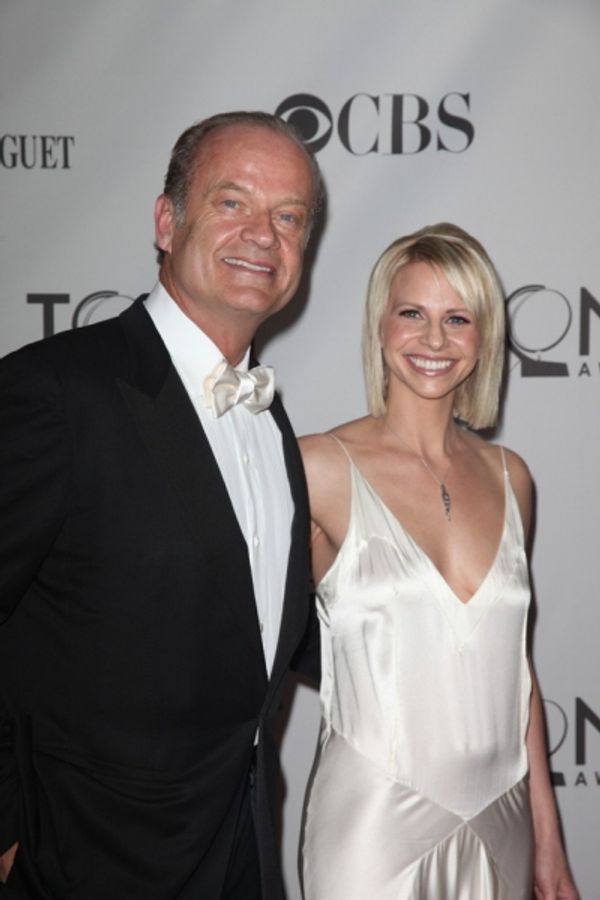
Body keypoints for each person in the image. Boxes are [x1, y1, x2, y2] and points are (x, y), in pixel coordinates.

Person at [0, 111, 321, 900]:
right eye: (232, 203)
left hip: (239, 853)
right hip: (85, 863)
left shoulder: (270, 417)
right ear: (166, 221)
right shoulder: (55, 391)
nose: (263, 235)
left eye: (289, 217)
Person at [299, 223, 578, 899]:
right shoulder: (318, 469)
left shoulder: (513, 477)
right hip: (372, 827)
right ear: (380, 326)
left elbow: (516, 673)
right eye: (412, 314)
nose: (433, 340)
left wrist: (549, 844)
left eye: (458, 319)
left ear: (483, 338)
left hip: (503, 818)